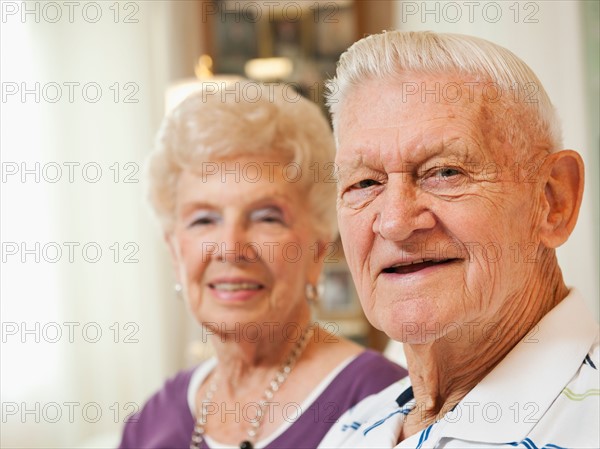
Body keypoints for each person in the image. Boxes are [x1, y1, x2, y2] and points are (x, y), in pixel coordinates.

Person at [318, 31, 599, 448]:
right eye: (364, 183)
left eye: (445, 172)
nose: (395, 222)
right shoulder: (354, 429)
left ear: (552, 200)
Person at [118, 81, 407, 449]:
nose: (231, 248)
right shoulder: (153, 419)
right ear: (175, 253)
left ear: (318, 250)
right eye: (204, 220)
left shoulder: (381, 402)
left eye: (267, 217)